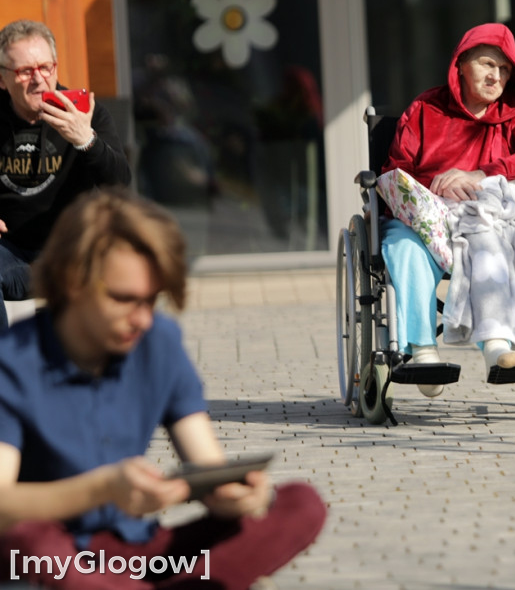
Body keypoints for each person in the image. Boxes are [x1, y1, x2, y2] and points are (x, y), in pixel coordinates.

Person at [0, 188, 326, 588]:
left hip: (138, 553)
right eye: (125, 299)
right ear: (73, 281)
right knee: (28, 542)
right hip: (53, 552)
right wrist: (104, 489)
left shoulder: (159, 343)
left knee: (299, 504)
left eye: (151, 301)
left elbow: (207, 466)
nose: (142, 319)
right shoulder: (13, 360)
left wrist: (236, 496)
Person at [381, 23, 515, 396]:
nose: (496, 76)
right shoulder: (425, 110)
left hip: (483, 217)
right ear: (460, 64)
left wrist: (482, 174)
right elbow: (397, 172)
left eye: (505, 70)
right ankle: (424, 354)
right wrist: (439, 185)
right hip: (427, 216)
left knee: (489, 246)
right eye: (487, 64)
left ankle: (497, 347)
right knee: (405, 248)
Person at [0, 19, 131, 328]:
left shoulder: (86, 114)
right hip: (10, 253)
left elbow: (120, 182)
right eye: (25, 71)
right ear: (2, 80)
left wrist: (85, 140)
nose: (39, 79)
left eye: (46, 67)